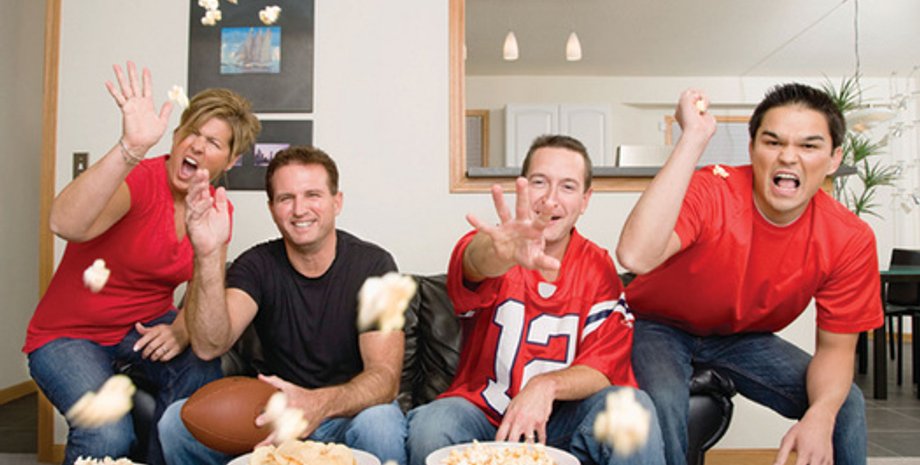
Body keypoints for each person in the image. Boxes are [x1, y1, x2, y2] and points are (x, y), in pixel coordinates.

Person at [617, 84, 883, 465]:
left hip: (740, 337)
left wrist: (821, 415)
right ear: (752, 148)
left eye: (808, 146)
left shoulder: (849, 238)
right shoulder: (714, 190)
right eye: (772, 142)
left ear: (833, 159)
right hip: (658, 324)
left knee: (843, 404)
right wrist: (692, 138)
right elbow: (634, 254)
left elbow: (835, 350)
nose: (788, 156)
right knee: (662, 400)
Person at [23, 61, 261, 465]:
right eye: (192, 133)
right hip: (68, 336)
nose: (197, 146)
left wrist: (182, 328)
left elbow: (204, 290)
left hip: (142, 329)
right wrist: (130, 149)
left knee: (199, 388)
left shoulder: (216, 209)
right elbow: (64, 223)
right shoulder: (139, 180)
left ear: (231, 160)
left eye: (213, 142)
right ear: (176, 135)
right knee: (106, 430)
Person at [407, 135, 665, 465]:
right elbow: (474, 262)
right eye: (539, 182)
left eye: (567, 187)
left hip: (561, 422)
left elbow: (603, 368)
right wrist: (500, 255)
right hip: (483, 416)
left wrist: (546, 386)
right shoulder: (494, 244)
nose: (550, 199)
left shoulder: (597, 267)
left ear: (585, 200)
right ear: (522, 188)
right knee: (432, 425)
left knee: (631, 409)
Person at [158, 146, 408, 465]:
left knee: (381, 423)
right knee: (176, 423)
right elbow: (209, 346)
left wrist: (318, 403)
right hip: (275, 416)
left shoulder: (374, 265)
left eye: (313, 195)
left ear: (337, 202)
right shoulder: (256, 265)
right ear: (272, 208)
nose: (299, 210)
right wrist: (207, 254)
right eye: (286, 198)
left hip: (346, 414)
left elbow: (385, 377)